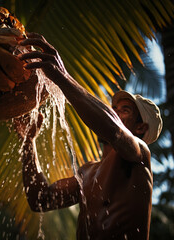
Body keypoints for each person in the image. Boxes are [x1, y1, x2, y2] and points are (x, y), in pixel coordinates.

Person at [15, 32, 163, 240]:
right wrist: (28, 142)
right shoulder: (88, 173)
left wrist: (61, 76)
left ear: (140, 129)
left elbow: (116, 131)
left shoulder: (140, 156)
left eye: (125, 110)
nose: (115, 113)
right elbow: (41, 200)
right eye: (114, 109)